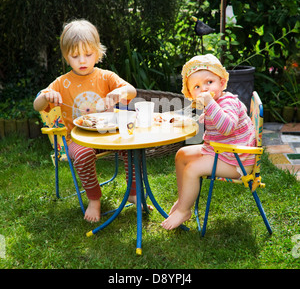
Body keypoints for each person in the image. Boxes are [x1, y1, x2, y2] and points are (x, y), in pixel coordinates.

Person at [34, 19, 140, 223]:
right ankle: (94, 199)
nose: (82, 60)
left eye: (88, 54)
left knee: (131, 146)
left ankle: (134, 192)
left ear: (98, 53)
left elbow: (132, 91)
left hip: (108, 135)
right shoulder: (61, 82)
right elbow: (37, 106)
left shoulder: (106, 76)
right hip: (78, 139)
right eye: (75, 56)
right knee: (83, 155)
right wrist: (46, 97)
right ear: (66, 57)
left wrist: (118, 92)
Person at [161, 54, 256, 230]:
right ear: (191, 93)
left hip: (237, 162)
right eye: (197, 86)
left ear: (221, 82)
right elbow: (194, 115)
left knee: (192, 169)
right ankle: (183, 199)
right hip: (222, 151)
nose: (204, 89)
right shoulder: (213, 102)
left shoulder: (228, 102)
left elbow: (226, 127)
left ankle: (184, 210)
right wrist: (174, 117)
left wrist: (210, 103)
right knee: (182, 154)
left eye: (209, 82)